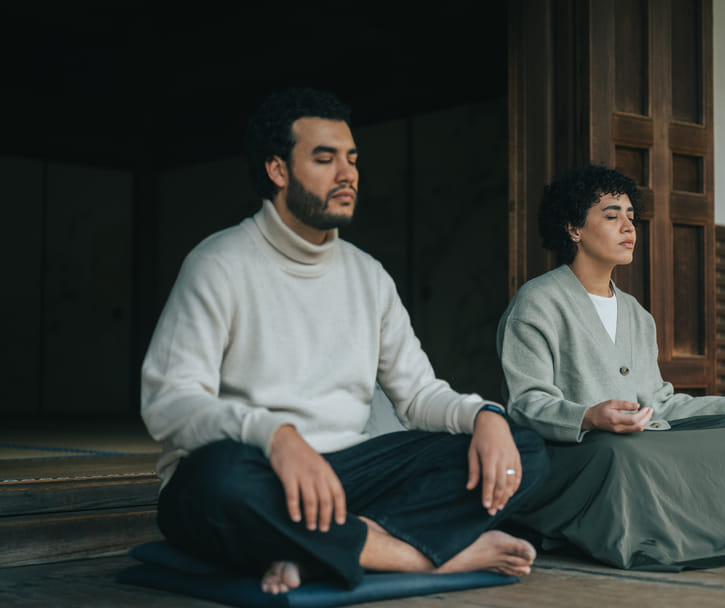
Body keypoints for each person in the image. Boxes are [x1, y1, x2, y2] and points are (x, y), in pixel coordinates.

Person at [141, 87, 549, 595]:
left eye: (352, 158)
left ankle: (324, 549)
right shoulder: (218, 263)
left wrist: (484, 415)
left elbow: (418, 394)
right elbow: (168, 402)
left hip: (350, 476)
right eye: (324, 158)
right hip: (258, 469)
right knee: (212, 485)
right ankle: (417, 555)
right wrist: (276, 436)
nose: (347, 173)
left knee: (523, 449)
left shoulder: (368, 275)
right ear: (277, 170)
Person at [496, 165, 725, 570]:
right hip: (578, 455)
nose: (629, 227)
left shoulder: (637, 315)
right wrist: (589, 417)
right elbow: (526, 403)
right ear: (573, 228)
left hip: (635, 442)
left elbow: (660, 404)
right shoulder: (537, 302)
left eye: (631, 216)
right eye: (612, 216)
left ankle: (722, 536)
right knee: (622, 453)